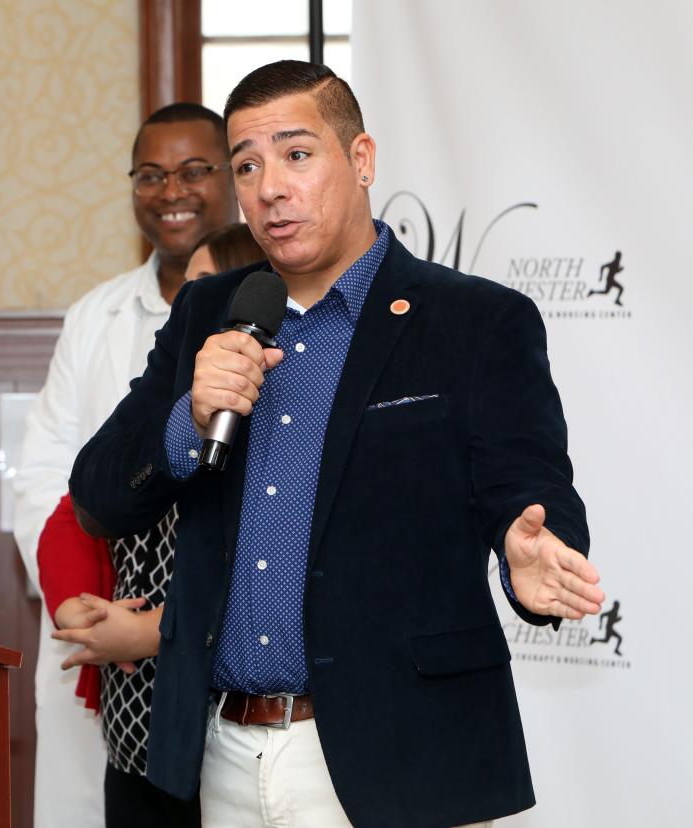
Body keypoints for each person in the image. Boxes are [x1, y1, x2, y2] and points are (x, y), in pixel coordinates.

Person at [69, 60, 605, 828]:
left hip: (401, 756)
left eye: (297, 155)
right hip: (223, 753)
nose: (269, 187)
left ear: (360, 161)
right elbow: (97, 494)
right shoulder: (209, 310)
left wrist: (532, 550)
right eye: (247, 165)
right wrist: (188, 417)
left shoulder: (475, 322)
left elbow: (532, 493)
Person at [12, 103, 238, 828]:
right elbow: (49, 476)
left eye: (194, 170)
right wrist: (85, 602)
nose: (171, 191)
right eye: (150, 174)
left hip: (220, 645)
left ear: (234, 178)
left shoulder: (285, 315)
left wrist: (159, 625)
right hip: (100, 636)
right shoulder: (95, 316)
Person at [35, 223, 264, 828]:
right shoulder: (168, 411)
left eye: (209, 292)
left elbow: (270, 575)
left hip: (224, 740)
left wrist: (147, 633)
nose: (187, 312)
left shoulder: (275, 422)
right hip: (135, 738)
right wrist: (75, 609)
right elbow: (73, 512)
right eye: (185, 294)